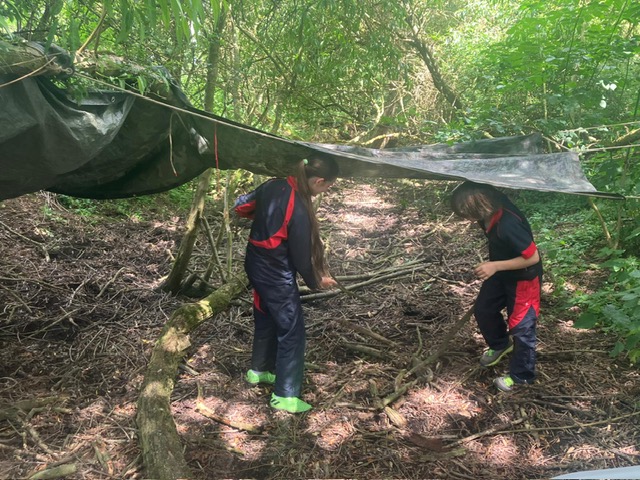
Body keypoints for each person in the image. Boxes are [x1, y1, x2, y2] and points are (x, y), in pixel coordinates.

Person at [234, 154, 339, 413]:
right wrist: (317, 281)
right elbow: (302, 257)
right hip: (275, 274)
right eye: (328, 186)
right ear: (318, 180)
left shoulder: (272, 185)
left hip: (255, 264)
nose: (326, 190)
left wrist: (266, 221)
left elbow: (241, 206)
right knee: (292, 330)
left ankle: (259, 371)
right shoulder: (300, 208)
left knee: (265, 315)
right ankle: (285, 396)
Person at [450, 181, 542, 392]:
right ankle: (501, 344)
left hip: (523, 279)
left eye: (467, 214)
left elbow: (532, 257)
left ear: (480, 206)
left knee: (522, 328)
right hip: (501, 273)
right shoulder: (487, 215)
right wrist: (496, 267)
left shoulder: (508, 224)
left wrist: (495, 265)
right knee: (484, 309)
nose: (467, 219)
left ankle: (522, 376)